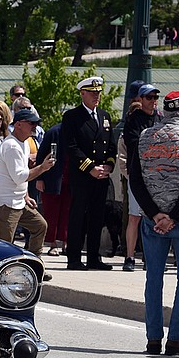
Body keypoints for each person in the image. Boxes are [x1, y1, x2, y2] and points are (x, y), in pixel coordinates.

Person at [128, 89, 179, 355]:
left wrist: (155, 214)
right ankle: (177, 337)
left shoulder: (145, 137)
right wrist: (175, 216)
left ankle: (153, 337)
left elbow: (135, 180)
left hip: (153, 219)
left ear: (163, 111)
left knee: (154, 277)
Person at [60, 76, 115, 270]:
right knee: (78, 216)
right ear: (82, 93)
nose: (96, 96)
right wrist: (90, 167)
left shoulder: (105, 116)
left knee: (97, 217)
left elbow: (111, 146)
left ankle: (94, 257)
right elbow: (71, 147)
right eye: (92, 93)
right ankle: (74, 258)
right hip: (83, 175)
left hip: (101, 177)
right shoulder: (72, 117)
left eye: (98, 93)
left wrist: (108, 166)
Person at [0, 108, 53, 254]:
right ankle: (5, 274)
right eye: (31, 123)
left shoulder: (23, 143)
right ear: (18, 125)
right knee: (4, 248)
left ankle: (32, 265)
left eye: (36, 123)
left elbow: (19, 175)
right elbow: (20, 177)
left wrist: (26, 196)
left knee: (40, 226)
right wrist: (42, 168)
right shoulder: (12, 146)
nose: (35, 126)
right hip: (5, 204)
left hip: (18, 201)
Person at [120, 83, 161, 271]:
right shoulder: (133, 119)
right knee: (134, 217)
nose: (153, 101)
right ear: (141, 99)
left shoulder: (161, 119)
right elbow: (134, 143)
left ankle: (150, 256)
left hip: (157, 174)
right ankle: (129, 256)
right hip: (138, 174)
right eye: (149, 97)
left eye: (155, 97)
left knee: (154, 217)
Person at [34, 121, 68, 255]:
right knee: (51, 212)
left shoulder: (78, 131)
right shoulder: (54, 132)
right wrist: (40, 178)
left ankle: (66, 241)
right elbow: (41, 155)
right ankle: (52, 243)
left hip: (70, 178)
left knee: (67, 212)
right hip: (53, 177)